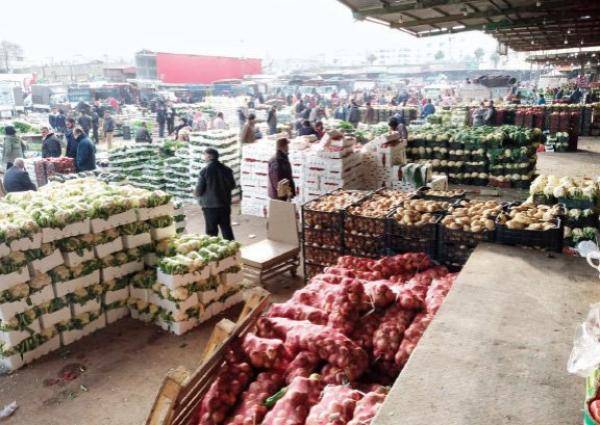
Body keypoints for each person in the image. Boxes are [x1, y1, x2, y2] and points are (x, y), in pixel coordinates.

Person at [194, 148, 236, 241]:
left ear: (209, 156)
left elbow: (199, 190)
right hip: (224, 204)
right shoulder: (227, 169)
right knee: (226, 228)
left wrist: (195, 193)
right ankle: (231, 246)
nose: (204, 157)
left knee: (211, 231)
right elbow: (232, 185)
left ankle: (214, 247)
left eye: (205, 155)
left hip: (210, 206)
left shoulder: (204, 171)